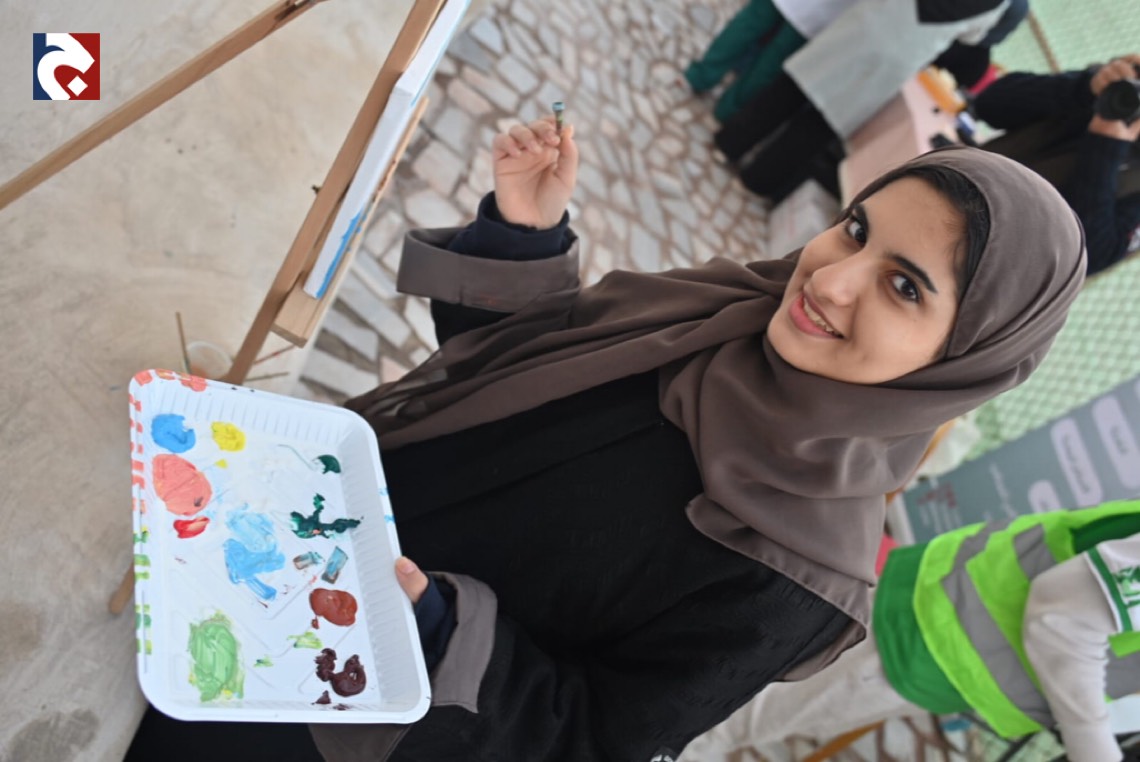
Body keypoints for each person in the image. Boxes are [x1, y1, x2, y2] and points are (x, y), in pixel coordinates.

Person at [127, 114, 1085, 761]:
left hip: (315, 708)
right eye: (855, 229)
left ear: (965, 361)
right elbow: (514, 382)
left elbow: (590, 738)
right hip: (262, 538)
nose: (831, 280)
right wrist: (525, 236)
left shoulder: (792, 576)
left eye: (905, 286)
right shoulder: (718, 318)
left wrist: (429, 631)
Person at [681, 501, 1140, 762]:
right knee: (715, 722)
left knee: (723, 711)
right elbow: (1062, 620)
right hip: (933, 635)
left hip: (948, 642)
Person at [713, 0, 1010, 205]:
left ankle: (729, 144)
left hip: (866, 25)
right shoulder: (998, 4)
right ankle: (756, 181)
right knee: (823, 122)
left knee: (793, 87)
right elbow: (972, 37)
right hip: (899, 57)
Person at [974, 54, 1140, 275]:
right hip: (953, 187)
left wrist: (1105, 147)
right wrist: (1084, 87)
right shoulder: (1116, 92)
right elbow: (988, 104)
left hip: (988, 267)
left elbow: (1089, 257)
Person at [681, 0, 858, 123]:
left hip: (819, 12)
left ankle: (701, 76)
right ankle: (729, 110)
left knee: (747, 27)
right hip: (826, 13)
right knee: (771, 64)